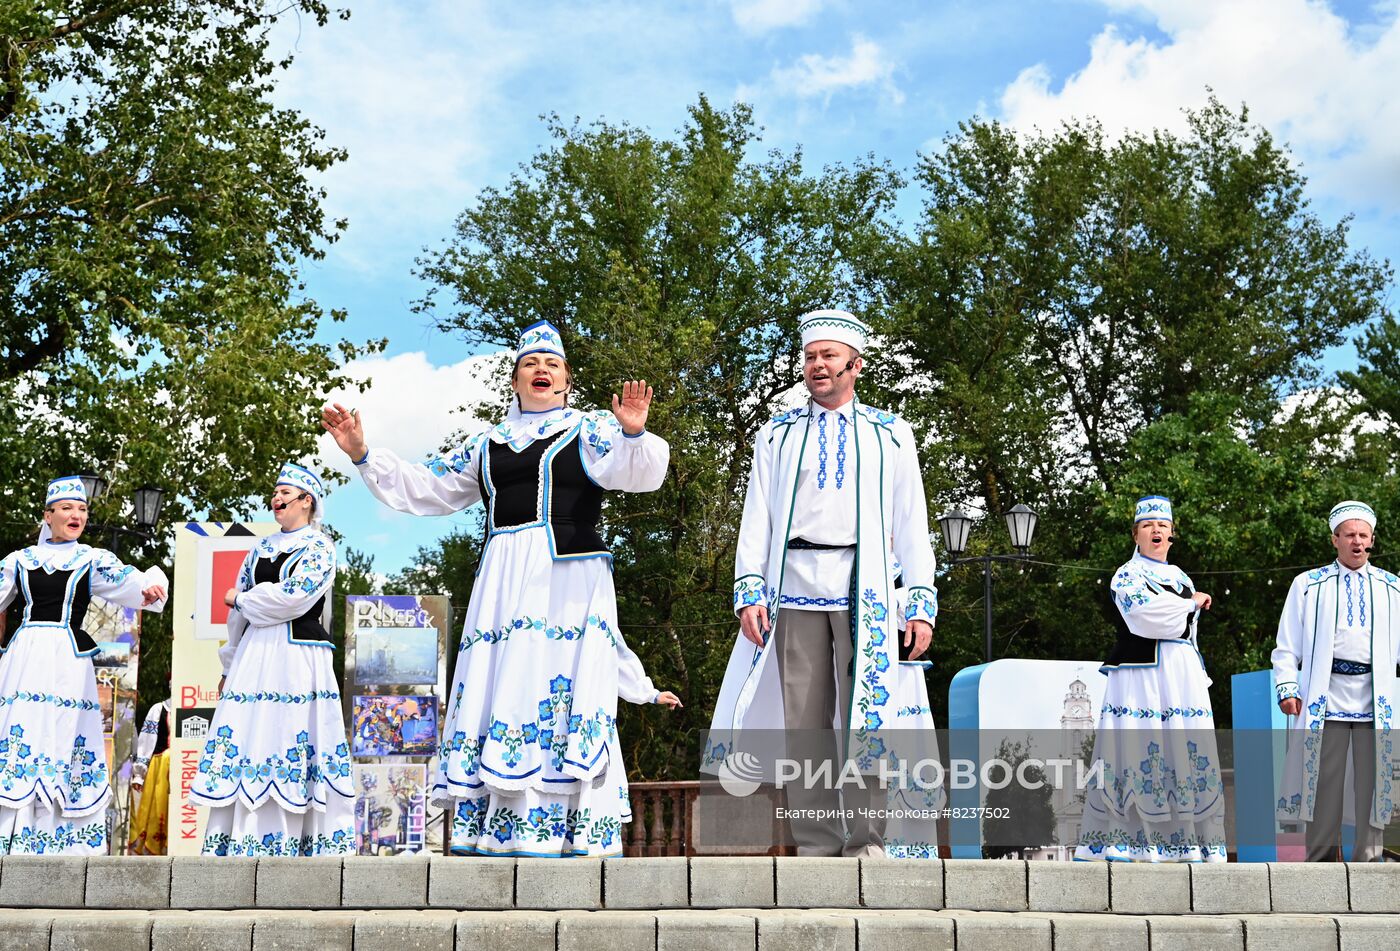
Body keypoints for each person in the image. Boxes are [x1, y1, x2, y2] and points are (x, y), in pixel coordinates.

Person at [322, 319, 680, 857]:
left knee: (560, 679)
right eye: (530, 364)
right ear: (514, 381)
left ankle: (566, 825)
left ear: (566, 382)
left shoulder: (591, 429)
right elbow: (428, 488)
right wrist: (363, 453)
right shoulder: (485, 444)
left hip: (569, 578)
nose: (541, 370)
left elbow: (638, 474)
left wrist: (633, 431)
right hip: (502, 579)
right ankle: (498, 825)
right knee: (500, 682)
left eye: (552, 365)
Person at [707, 309, 939, 858]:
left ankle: (866, 843)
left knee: (866, 717)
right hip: (793, 587)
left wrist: (922, 603)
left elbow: (912, 521)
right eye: (810, 357)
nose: (817, 365)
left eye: (829, 356)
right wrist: (748, 589)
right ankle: (814, 846)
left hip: (870, 589)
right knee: (805, 726)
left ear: (855, 364)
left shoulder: (891, 434)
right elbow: (756, 516)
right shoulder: (777, 434)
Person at [190, 463, 355, 856]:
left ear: (307, 501)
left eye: (285, 493)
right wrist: (228, 664)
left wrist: (242, 598)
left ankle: (297, 841)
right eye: (275, 493)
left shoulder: (319, 547)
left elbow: (295, 598)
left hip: (298, 657)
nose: (276, 499)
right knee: (252, 736)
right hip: (254, 656)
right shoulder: (260, 548)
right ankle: (242, 839)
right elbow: (238, 619)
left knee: (290, 731)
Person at [0, 476, 167, 854]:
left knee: (64, 733)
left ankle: (57, 838)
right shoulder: (19, 561)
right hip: (24, 655)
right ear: (48, 515)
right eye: (67, 508)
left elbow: (130, 582)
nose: (77, 515)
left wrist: (148, 588)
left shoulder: (92, 559)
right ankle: (13, 834)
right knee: (20, 731)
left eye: (82, 509)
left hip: (67, 659)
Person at [1073, 495, 1226, 862]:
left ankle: (1187, 842)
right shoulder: (1127, 574)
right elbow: (1144, 616)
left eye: (1163, 526)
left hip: (1181, 671)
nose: (1156, 531)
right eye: (1148, 526)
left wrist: (1187, 608)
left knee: (1185, 746)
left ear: (1172, 534)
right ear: (1136, 534)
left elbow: (1183, 626)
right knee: (1138, 744)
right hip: (1141, 673)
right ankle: (1125, 841)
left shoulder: (1180, 576)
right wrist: (1190, 605)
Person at [1273, 500, 1398, 862]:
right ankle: (1320, 865)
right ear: (1335, 540)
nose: (1357, 542)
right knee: (1322, 783)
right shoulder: (1308, 585)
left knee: (1371, 784)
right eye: (1349, 535)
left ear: (1372, 539)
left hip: (1376, 700)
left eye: (1363, 535)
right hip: (1324, 697)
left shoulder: (1393, 589)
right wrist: (1287, 688)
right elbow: (1286, 646)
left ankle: (1369, 862)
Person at [129, 696, 170, 855]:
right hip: (160, 767)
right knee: (157, 807)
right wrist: (139, 774)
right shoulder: (158, 709)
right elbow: (146, 740)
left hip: (185, 766)